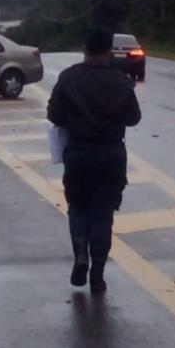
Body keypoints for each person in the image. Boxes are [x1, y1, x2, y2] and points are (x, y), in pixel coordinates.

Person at [47, 28, 141, 294]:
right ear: (109, 49)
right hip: (111, 155)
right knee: (103, 214)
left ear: (84, 48)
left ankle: (80, 254)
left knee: (78, 208)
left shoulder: (69, 77)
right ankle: (97, 274)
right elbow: (134, 118)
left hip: (78, 153)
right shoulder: (121, 80)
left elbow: (54, 115)